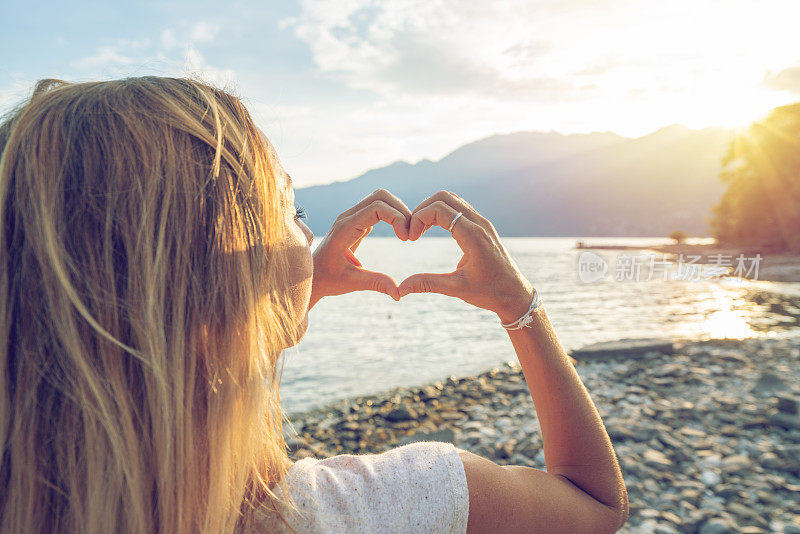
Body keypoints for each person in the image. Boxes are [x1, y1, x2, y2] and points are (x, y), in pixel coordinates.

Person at [0, 77, 628, 533]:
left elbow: (172, 326)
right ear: (232, 297)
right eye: (292, 212)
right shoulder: (375, 506)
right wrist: (519, 305)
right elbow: (594, 502)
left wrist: (290, 293)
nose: (309, 236)